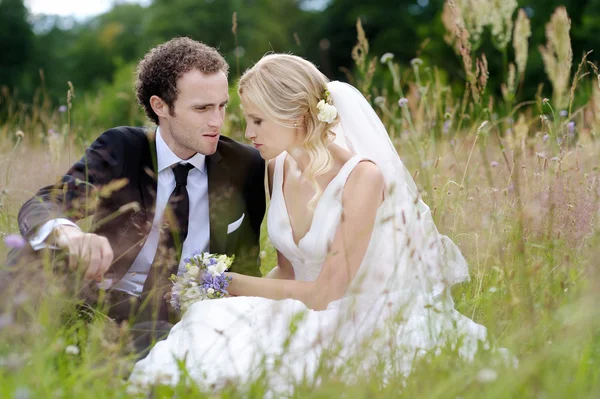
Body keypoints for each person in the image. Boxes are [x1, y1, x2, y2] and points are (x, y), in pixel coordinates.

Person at [128, 54, 487, 392]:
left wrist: (228, 282)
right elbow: (287, 272)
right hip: (303, 305)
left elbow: (325, 293)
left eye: (258, 120)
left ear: (296, 116)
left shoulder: (362, 178)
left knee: (266, 364)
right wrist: (220, 295)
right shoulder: (275, 167)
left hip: (358, 312)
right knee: (215, 323)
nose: (248, 132)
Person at [11, 37, 266, 351]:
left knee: (154, 338)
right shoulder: (122, 148)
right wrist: (69, 234)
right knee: (28, 252)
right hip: (99, 300)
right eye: (202, 108)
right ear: (161, 106)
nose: (217, 121)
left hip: (181, 316)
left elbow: (247, 267)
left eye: (222, 106)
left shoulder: (247, 166)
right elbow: (46, 203)